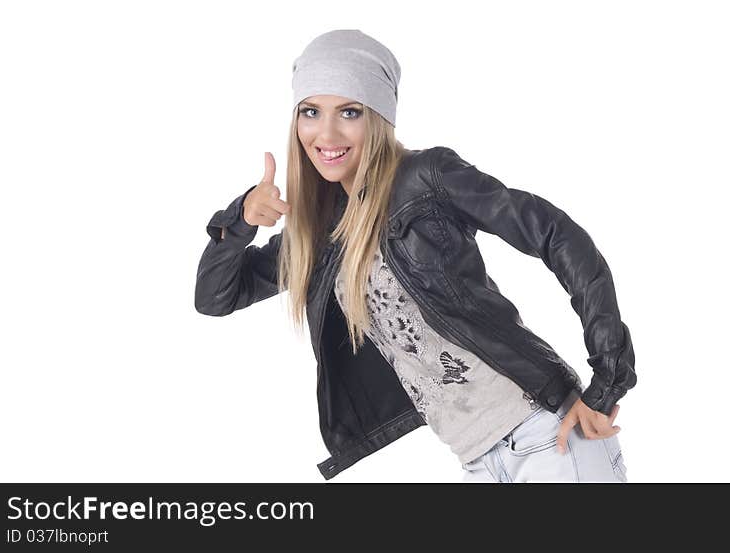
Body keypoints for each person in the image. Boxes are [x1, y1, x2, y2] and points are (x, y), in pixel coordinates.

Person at [195, 29, 637, 482]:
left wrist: (607, 381)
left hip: (548, 435)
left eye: (349, 112)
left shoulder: (426, 179)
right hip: (478, 461)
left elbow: (557, 235)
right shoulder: (322, 232)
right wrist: (241, 219)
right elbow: (216, 296)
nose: (326, 133)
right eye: (311, 112)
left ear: (379, 117)